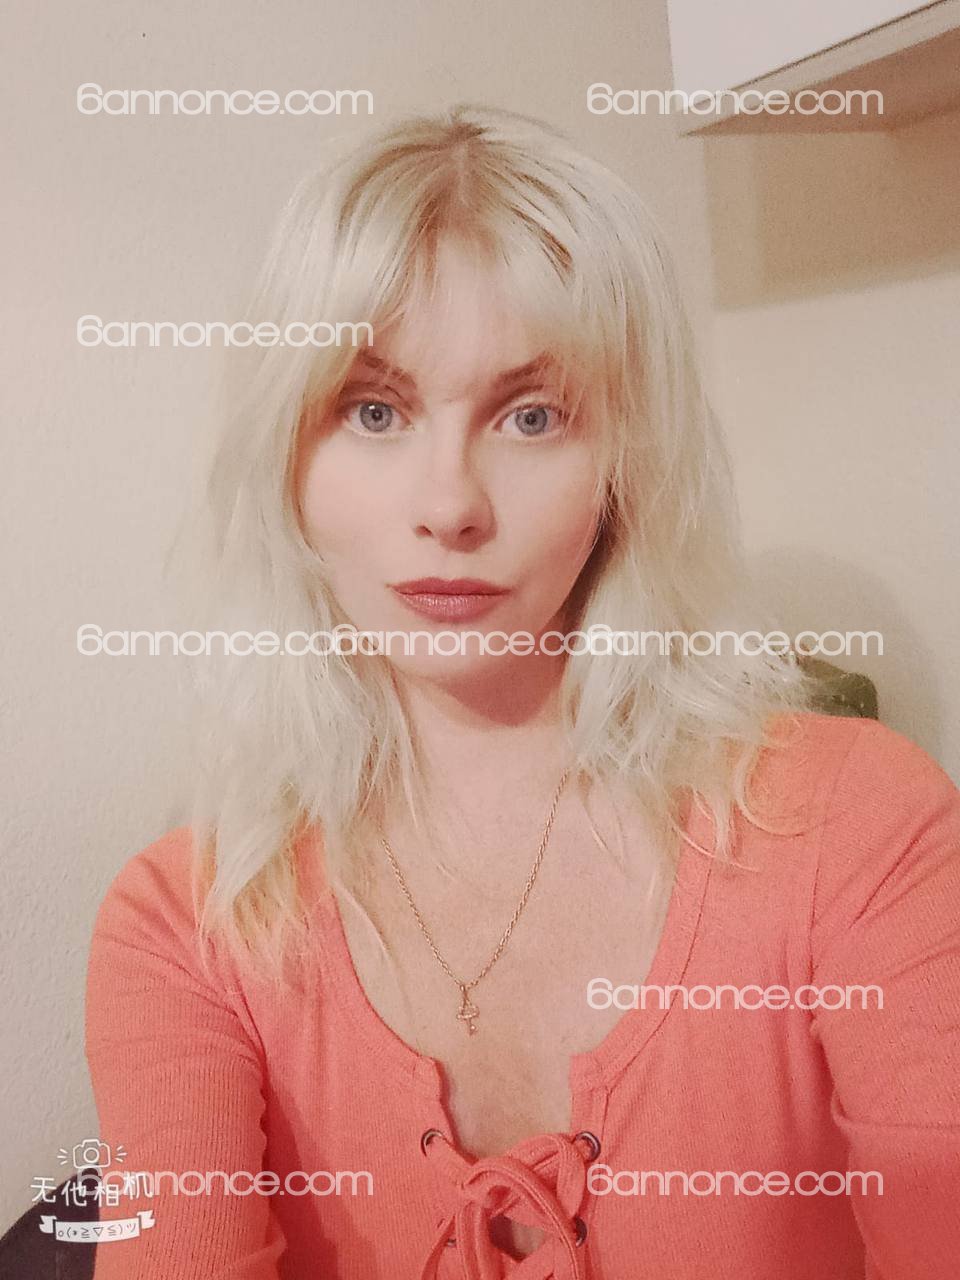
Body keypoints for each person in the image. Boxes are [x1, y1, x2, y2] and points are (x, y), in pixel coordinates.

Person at [84, 104, 960, 1279]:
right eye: (374, 410)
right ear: (287, 462)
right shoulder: (184, 927)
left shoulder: (858, 830)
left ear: (624, 465)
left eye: (531, 415)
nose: (451, 504)